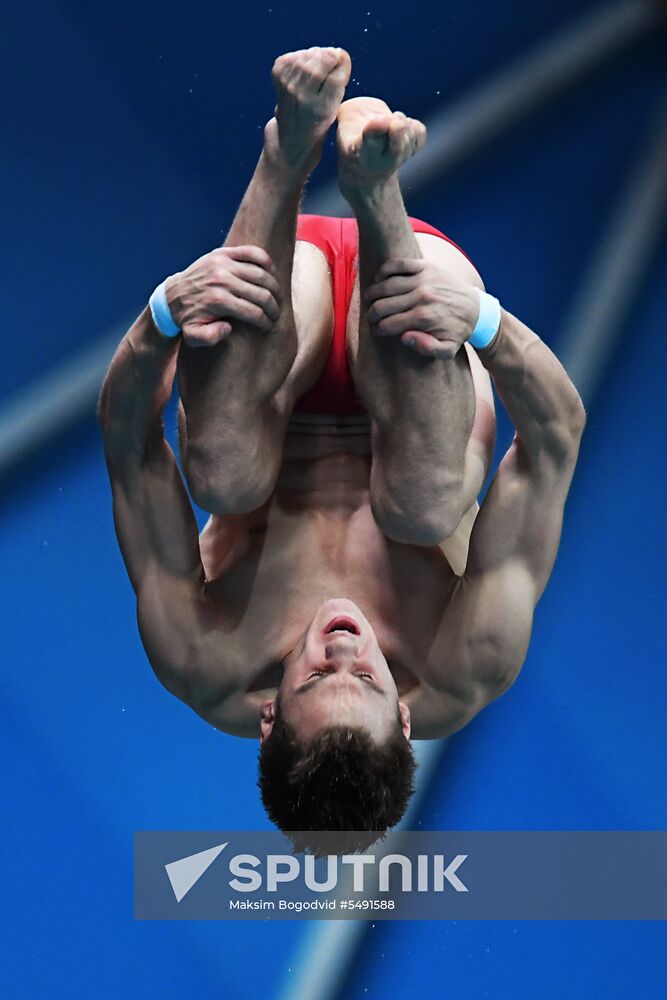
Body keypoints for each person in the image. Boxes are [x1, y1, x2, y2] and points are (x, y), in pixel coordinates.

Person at [98, 47, 585, 852]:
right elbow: (555, 439)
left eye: (317, 674)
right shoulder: (466, 660)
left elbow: (130, 445)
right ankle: (373, 187)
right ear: (404, 716)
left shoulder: (202, 658)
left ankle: (286, 151)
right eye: (364, 677)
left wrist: (162, 316)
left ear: (268, 715)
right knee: (423, 504)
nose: (342, 645)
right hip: (419, 308)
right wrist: (483, 322)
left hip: (276, 337)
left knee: (222, 477)